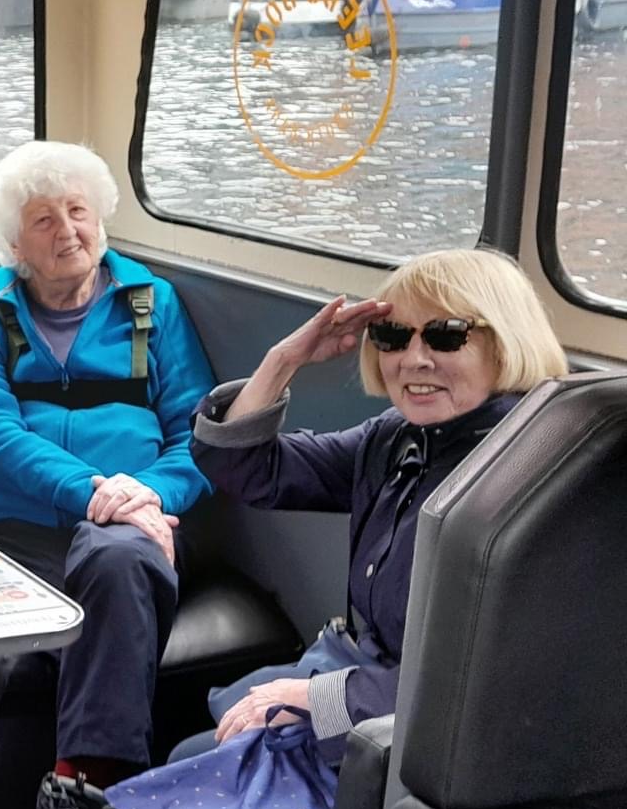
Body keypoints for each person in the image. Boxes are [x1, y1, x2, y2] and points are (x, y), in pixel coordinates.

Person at [0, 140, 214, 809]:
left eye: (78, 211)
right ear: (12, 244)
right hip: (8, 526)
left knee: (121, 562)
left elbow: (198, 435)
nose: (66, 230)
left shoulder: (153, 305)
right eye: (42, 219)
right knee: (107, 564)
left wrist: (148, 496)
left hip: (127, 525)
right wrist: (96, 492)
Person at [170, 247, 567, 763]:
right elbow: (246, 468)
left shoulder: (526, 475)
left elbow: (488, 681)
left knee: (190, 761)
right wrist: (284, 361)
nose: (414, 358)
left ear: (506, 342)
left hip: (423, 736)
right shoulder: (398, 439)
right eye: (393, 335)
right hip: (361, 680)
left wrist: (319, 699)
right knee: (191, 749)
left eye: (446, 335)